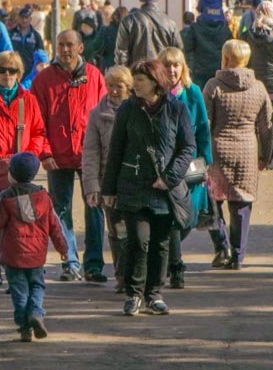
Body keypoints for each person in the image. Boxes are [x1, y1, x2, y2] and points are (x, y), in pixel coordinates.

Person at [101, 59, 196, 317]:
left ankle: (155, 294)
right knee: (138, 241)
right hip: (133, 185)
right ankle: (134, 294)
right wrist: (108, 189)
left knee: (161, 243)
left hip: (165, 189)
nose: (135, 85)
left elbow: (188, 147)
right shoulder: (128, 110)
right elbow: (116, 150)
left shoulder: (176, 109)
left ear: (155, 81)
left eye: (140, 80)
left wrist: (169, 177)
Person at [31, 30, 109, 283]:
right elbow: (36, 119)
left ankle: (94, 265)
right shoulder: (44, 80)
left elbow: (105, 116)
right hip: (57, 154)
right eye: (61, 45)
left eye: (70, 45)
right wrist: (44, 151)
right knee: (60, 210)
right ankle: (70, 261)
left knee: (95, 207)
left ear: (81, 47)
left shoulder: (95, 77)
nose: (65, 50)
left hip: (89, 155)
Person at [0, 51, 49, 287]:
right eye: (2, 70)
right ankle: (2, 265)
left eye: (12, 71)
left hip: (22, 170)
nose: (7, 75)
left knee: (18, 222)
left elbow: (39, 131)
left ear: (20, 74)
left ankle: (2, 263)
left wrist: (30, 156)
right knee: (4, 221)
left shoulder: (27, 99)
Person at [0, 152, 68, 342]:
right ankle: (36, 312)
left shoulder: (5, 197)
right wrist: (63, 249)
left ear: (11, 173)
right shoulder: (43, 196)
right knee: (37, 285)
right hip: (37, 254)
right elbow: (55, 226)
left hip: (12, 255)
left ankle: (24, 328)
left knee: (19, 290)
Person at [203, 40, 273, 270]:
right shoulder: (259, 88)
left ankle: (221, 245)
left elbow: (205, 123)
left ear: (224, 59)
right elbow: (267, 127)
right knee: (241, 204)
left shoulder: (213, 86)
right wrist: (266, 155)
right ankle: (238, 254)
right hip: (247, 150)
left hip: (218, 149)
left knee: (214, 201)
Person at [158, 46, 213, 286]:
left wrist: (206, 162)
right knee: (170, 218)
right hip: (165, 167)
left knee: (187, 219)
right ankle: (176, 267)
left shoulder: (193, 93)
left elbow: (202, 127)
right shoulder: (155, 94)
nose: (172, 70)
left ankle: (170, 257)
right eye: (167, 65)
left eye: (176, 65)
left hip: (190, 167)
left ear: (183, 68)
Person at [82, 65, 133, 293]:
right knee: (117, 232)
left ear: (128, 87)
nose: (113, 91)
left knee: (137, 232)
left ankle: (137, 276)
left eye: (119, 86)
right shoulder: (97, 114)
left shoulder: (138, 110)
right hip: (109, 183)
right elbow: (91, 152)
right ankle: (123, 276)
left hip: (135, 181)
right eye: (110, 86)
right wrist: (92, 186)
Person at [114, 0, 183, 67]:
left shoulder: (129, 20)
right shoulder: (170, 23)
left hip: (137, 72)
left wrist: (123, 73)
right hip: (161, 72)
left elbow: (121, 52)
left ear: (141, 0)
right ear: (156, 0)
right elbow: (178, 51)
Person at [184, 0, 232, 88]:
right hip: (220, 69)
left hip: (200, 70)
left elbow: (188, 48)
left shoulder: (195, 28)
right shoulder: (225, 29)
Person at [10, 6, 46, 80]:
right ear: (18, 18)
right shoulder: (11, 33)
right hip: (14, 69)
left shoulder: (36, 36)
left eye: (27, 18)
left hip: (30, 72)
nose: (24, 20)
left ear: (30, 19)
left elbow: (41, 54)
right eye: (22, 17)